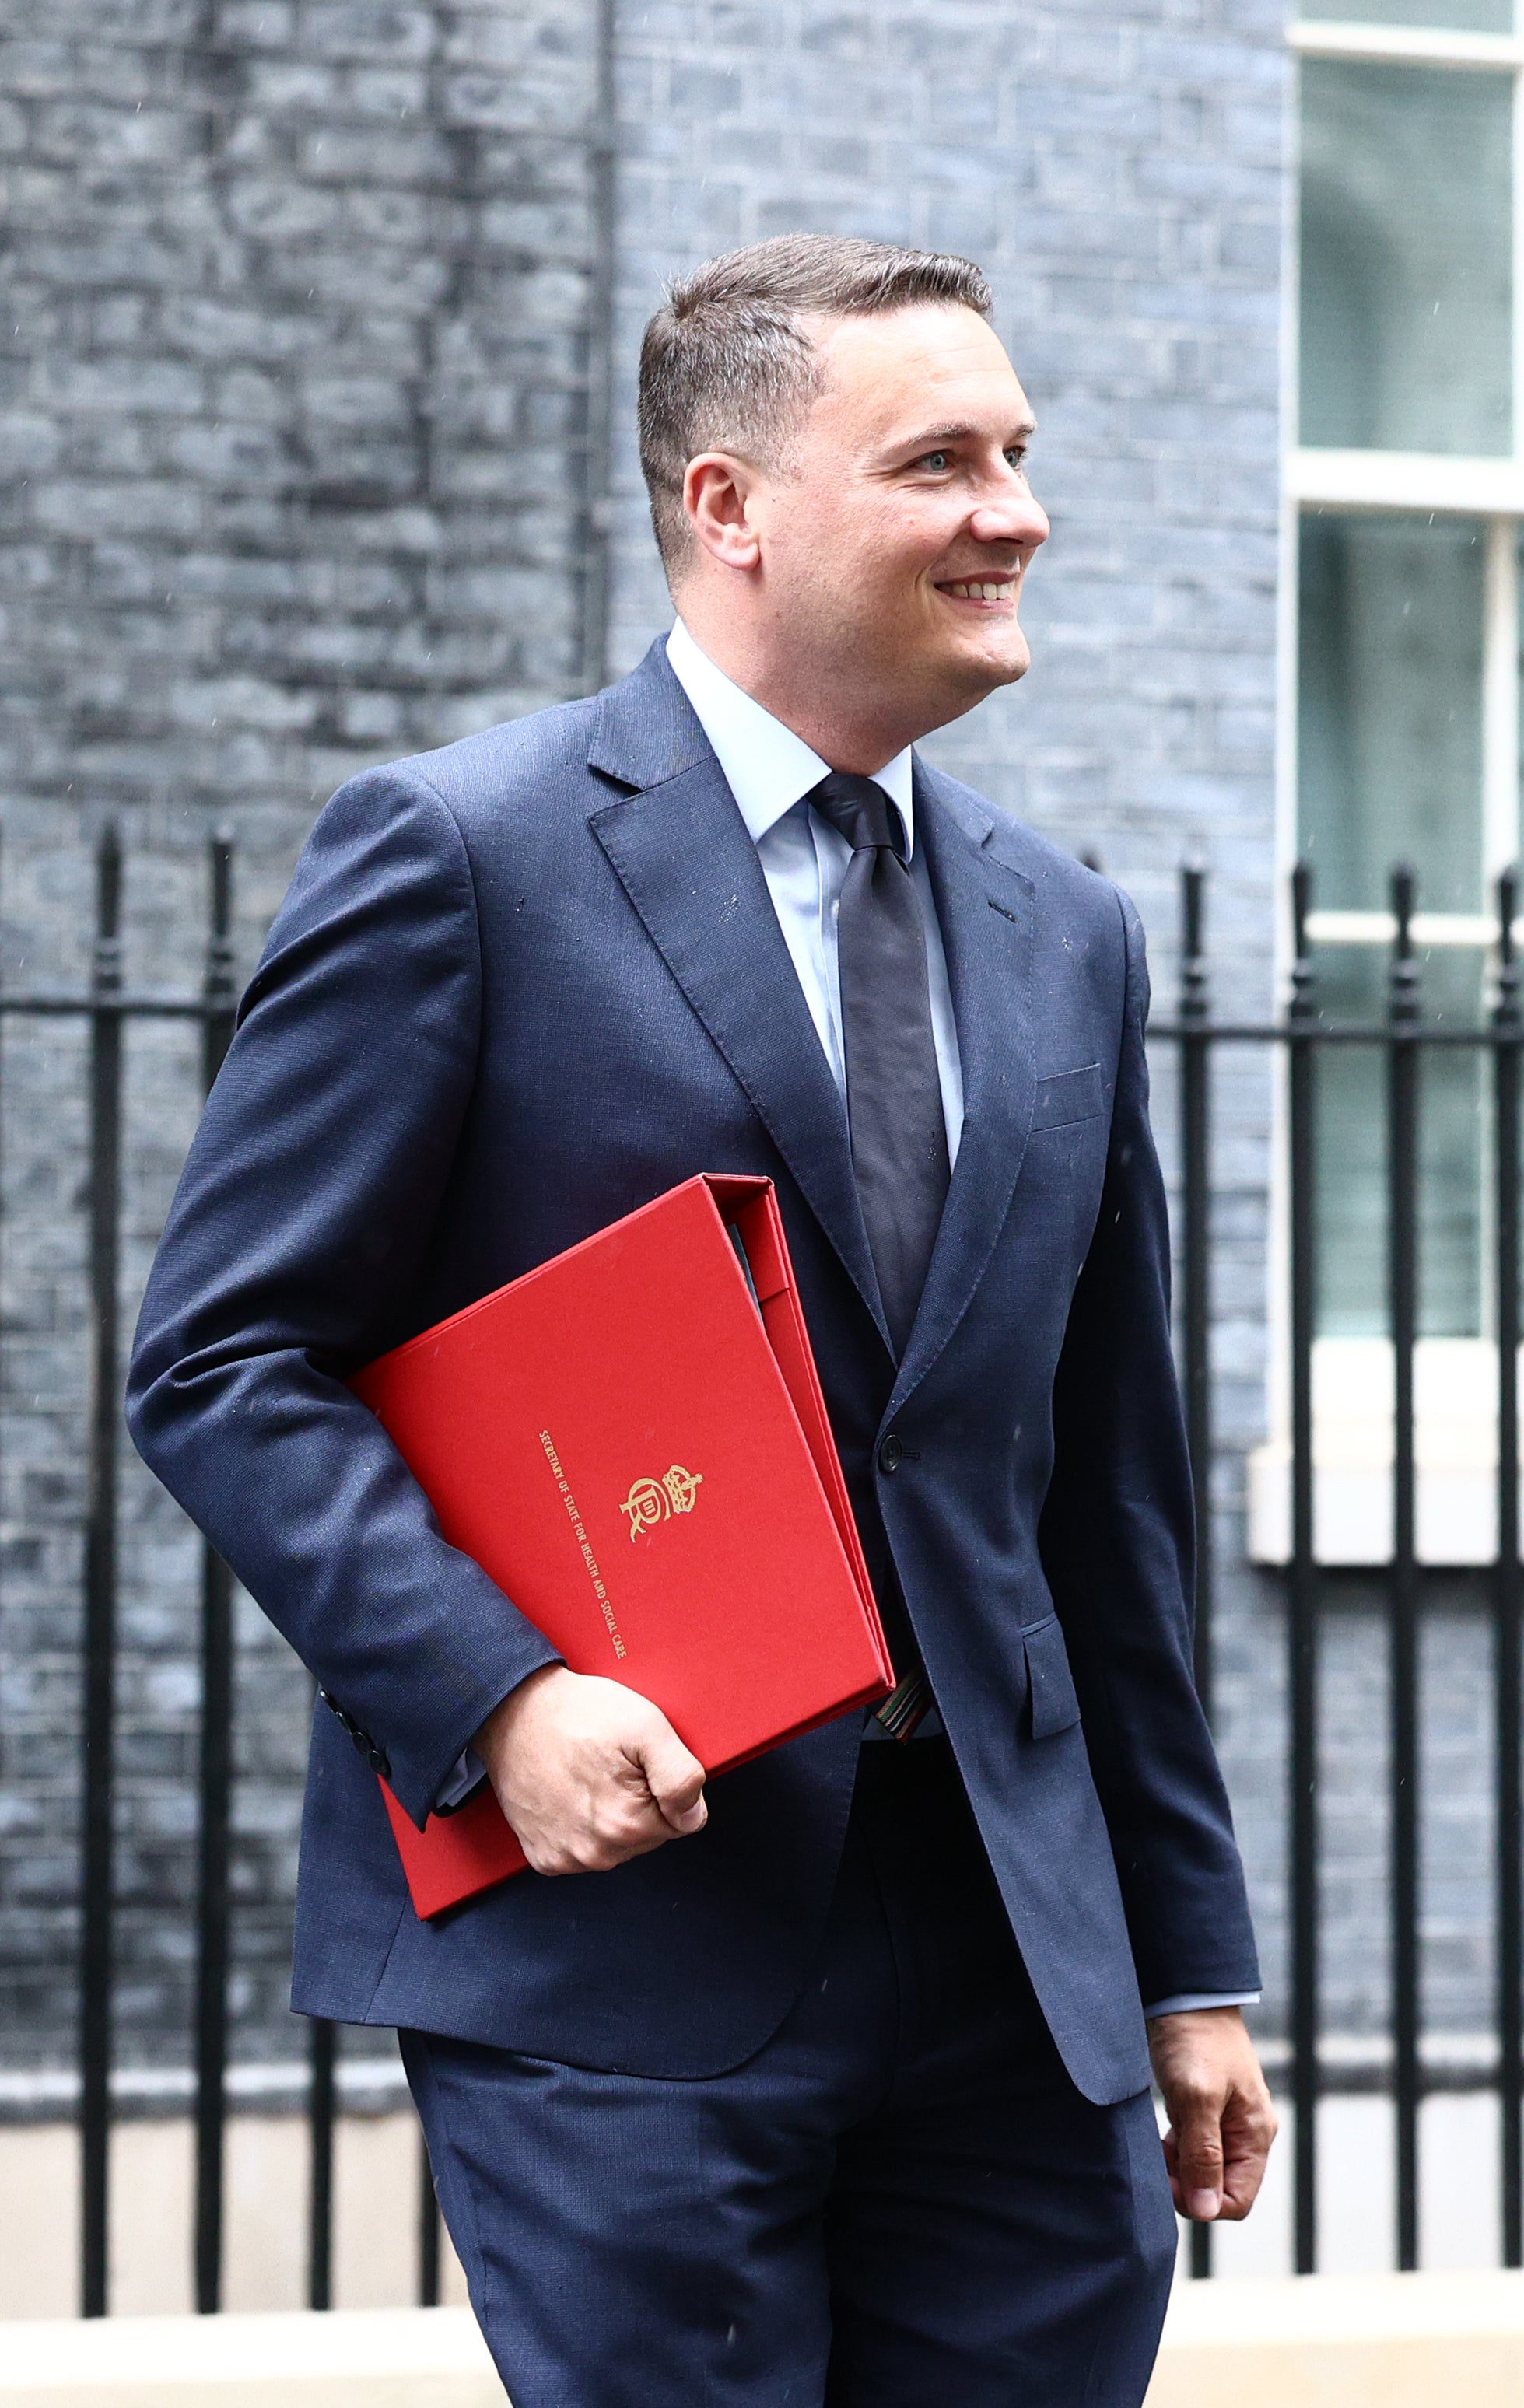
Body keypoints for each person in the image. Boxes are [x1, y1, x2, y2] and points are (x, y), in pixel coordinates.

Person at [128, 236, 1274, 2406]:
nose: (1015, 511)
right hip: (631, 1953)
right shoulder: (461, 855)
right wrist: (498, 1700)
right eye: (940, 460)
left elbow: (1103, 1494)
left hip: (1024, 1970)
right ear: (730, 504)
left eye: (1019, 455)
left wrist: (1186, 1962)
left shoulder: (1070, 932)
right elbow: (222, 1361)